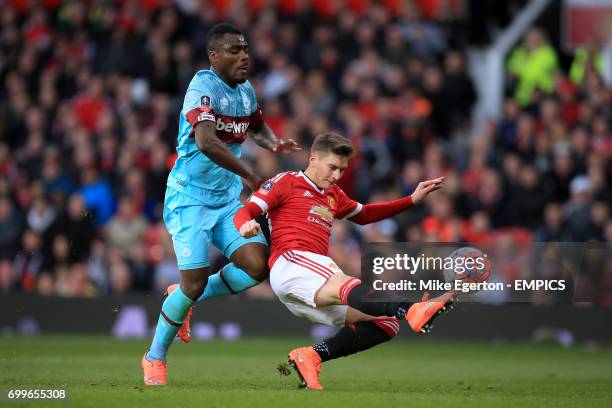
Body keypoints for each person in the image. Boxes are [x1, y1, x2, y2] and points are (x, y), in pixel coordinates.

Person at [141, 23, 299, 386]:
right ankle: (154, 357)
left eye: (245, 49)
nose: (244, 55)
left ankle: (183, 299)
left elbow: (255, 125)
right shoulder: (202, 88)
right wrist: (251, 175)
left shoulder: (245, 91)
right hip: (189, 199)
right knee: (192, 283)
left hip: (226, 200)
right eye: (234, 50)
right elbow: (207, 142)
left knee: (258, 267)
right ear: (214, 56)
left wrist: (273, 144)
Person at [233, 132, 454, 390]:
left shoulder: (334, 194)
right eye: (333, 168)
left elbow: (364, 214)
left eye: (342, 170)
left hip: (308, 286)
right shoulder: (286, 181)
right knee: (345, 283)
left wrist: (411, 201)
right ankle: (411, 308)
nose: (337, 175)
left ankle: (312, 355)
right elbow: (247, 210)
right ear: (313, 159)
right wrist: (245, 225)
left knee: (385, 323)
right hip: (292, 261)